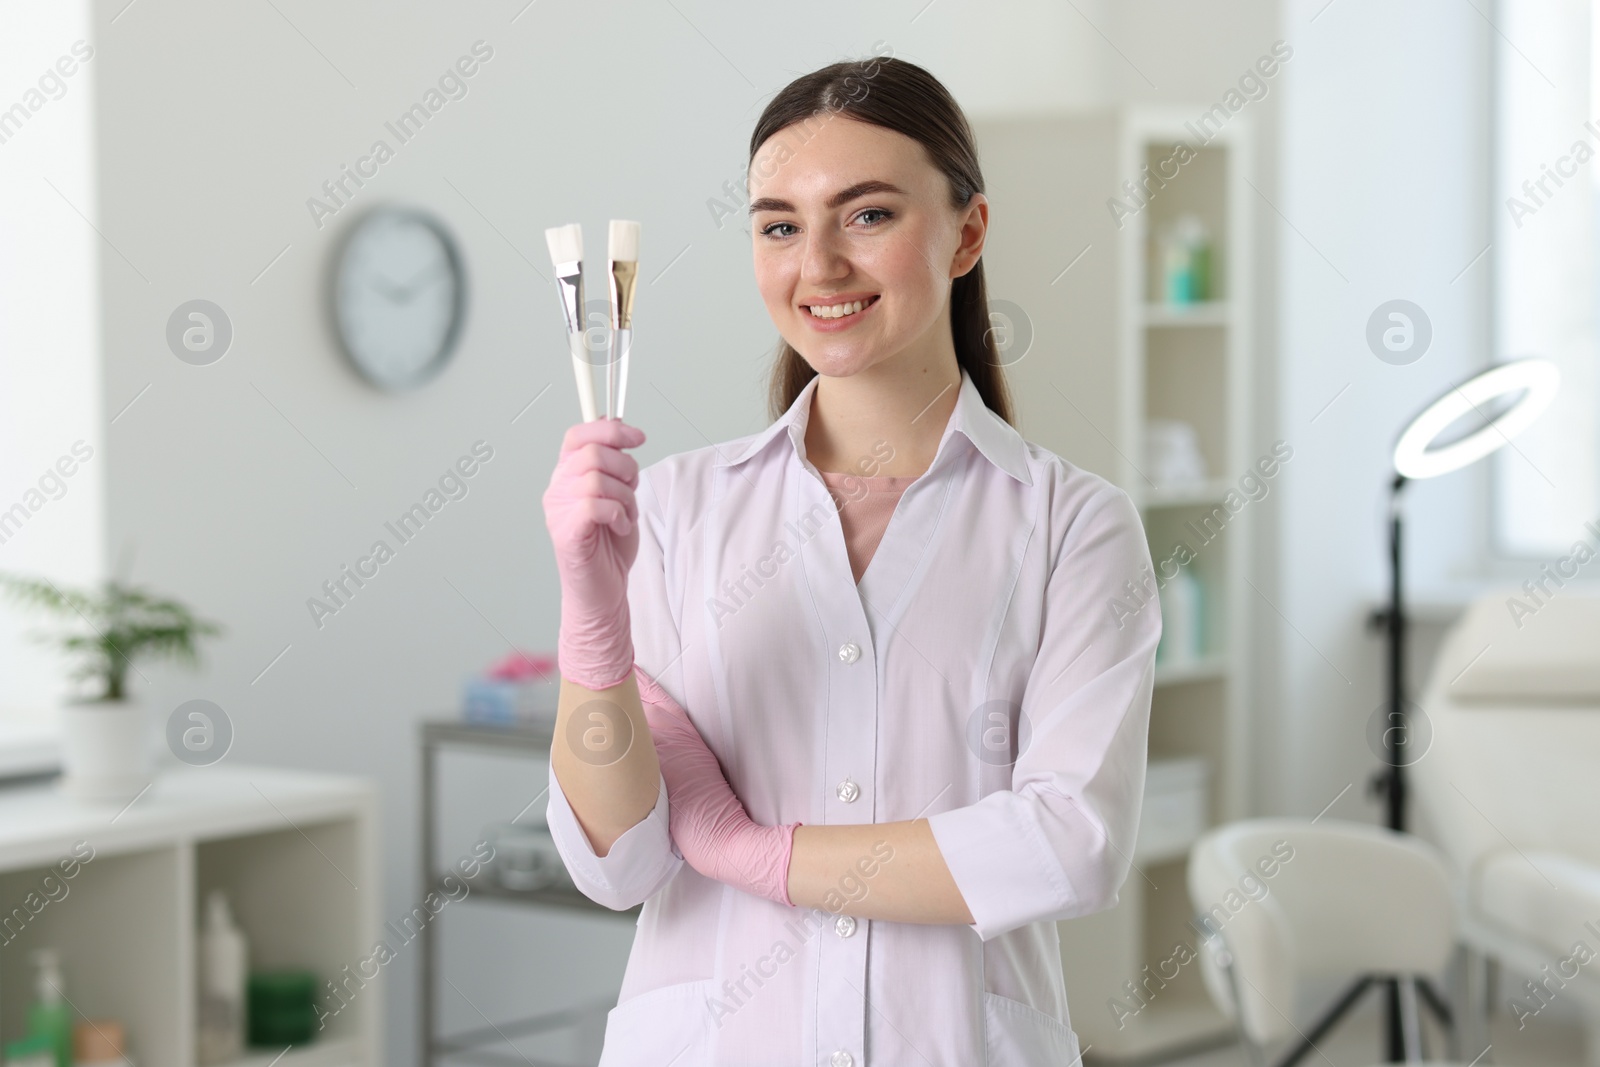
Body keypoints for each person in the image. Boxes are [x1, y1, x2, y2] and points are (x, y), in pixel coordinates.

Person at [541, 54, 1161, 1067]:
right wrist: (589, 622)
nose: (817, 265)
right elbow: (620, 863)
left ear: (967, 232)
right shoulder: (677, 510)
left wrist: (757, 853)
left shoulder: (1071, 527)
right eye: (779, 224)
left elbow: (1069, 842)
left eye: (867, 215)